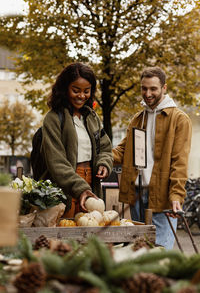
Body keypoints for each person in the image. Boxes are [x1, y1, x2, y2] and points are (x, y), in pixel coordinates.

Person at [112, 66, 192, 249]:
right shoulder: (137, 119)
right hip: (137, 193)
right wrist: (100, 157)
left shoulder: (179, 119)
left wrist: (177, 196)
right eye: (144, 88)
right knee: (141, 250)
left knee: (159, 251)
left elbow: (180, 162)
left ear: (164, 88)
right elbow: (123, 151)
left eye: (153, 89)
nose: (147, 93)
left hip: (163, 196)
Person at [41, 62, 113, 217]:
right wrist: (80, 187)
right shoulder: (53, 119)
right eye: (76, 90)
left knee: (89, 231)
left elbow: (105, 147)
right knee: (65, 232)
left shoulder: (92, 117)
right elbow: (57, 162)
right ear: (65, 88)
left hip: (91, 181)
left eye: (86, 91)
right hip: (64, 185)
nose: (81, 96)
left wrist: (104, 163)